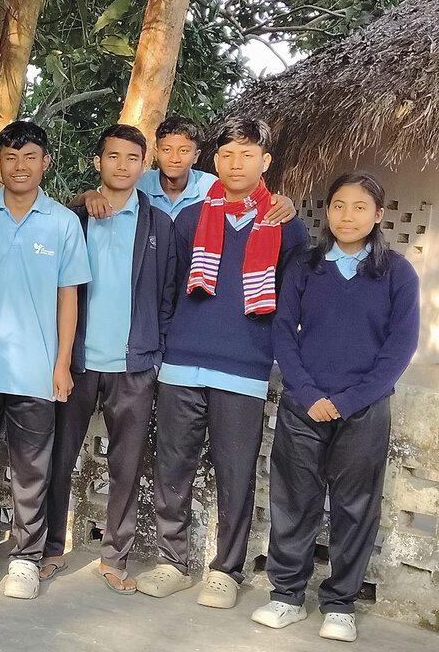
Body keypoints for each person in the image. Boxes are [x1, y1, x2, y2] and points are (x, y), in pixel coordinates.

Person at [135, 117, 309, 609]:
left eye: (247, 155)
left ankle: (225, 570)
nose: (237, 164)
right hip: (181, 366)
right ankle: (172, 561)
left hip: (246, 369)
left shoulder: (285, 225)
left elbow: (293, 301)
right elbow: (169, 289)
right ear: (214, 163)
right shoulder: (190, 219)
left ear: (264, 162)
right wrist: (168, 344)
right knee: (173, 466)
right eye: (228, 155)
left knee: (235, 474)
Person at [252, 172, 419, 642]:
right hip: (304, 404)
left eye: (360, 207)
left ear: (377, 215)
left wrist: (346, 402)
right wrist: (308, 394)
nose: (348, 216)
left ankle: (340, 604)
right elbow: (284, 331)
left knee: (355, 507)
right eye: (339, 206)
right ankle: (285, 596)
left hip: (363, 409)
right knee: (293, 501)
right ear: (327, 212)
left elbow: (398, 348)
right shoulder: (305, 266)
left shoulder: (396, 273)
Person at [0, 122, 90, 600]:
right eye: (11, 157)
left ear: (45, 162)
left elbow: (67, 298)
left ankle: (27, 558)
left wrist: (62, 363)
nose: (20, 166)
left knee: (33, 469)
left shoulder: (62, 223)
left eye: (30, 156)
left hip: (37, 370)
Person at [44, 124, 176, 595]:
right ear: (97, 162)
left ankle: (115, 556)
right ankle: (50, 547)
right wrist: (81, 200)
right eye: (112, 157)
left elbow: (168, 296)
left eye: (132, 158)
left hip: (133, 367)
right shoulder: (73, 218)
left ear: (145, 166)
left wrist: (154, 353)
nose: (122, 166)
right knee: (60, 457)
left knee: (127, 466)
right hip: (76, 361)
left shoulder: (160, 224)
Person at [76, 115, 297, 223]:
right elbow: (98, 199)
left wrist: (283, 202)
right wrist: (89, 195)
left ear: (196, 156)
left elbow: (246, 196)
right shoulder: (140, 182)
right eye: (167, 150)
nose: (174, 158)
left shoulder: (211, 186)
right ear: (156, 152)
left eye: (183, 151)